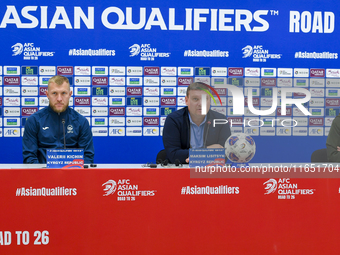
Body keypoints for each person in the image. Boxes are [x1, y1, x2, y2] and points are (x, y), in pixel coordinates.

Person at [23, 75, 94, 163]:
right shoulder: (34, 121)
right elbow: (29, 157)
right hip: (42, 174)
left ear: (70, 94)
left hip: (74, 174)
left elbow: (87, 157)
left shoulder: (81, 122)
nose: (59, 99)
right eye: (54, 93)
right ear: (47, 94)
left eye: (63, 93)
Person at [162, 82, 231, 164]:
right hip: (181, 172)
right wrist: (206, 150)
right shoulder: (173, 120)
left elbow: (224, 154)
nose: (201, 104)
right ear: (186, 100)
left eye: (205, 99)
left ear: (210, 101)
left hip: (210, 170)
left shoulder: (221, 120)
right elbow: (173, 155)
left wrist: (193, 155)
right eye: (195, 99)